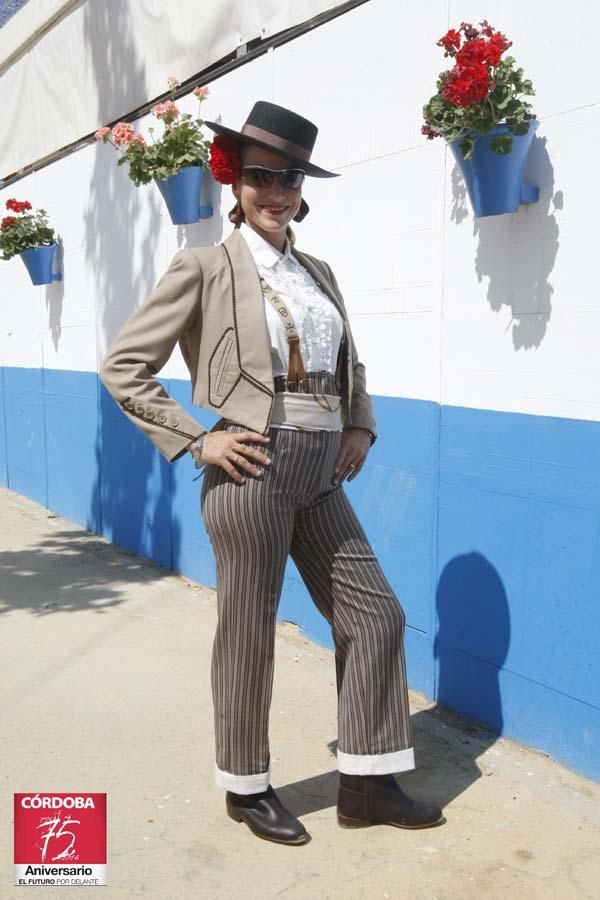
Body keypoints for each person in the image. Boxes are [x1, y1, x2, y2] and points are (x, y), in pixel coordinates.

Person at [99, 100, 444, 846]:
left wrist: (360, 422)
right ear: (234, 182)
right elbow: (123, 366)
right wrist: (198, 441)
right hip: (251, 465)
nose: (275, 191)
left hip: (320, 471)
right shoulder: (204, 267)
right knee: (249, 632)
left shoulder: (317, 270)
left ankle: (368, 779)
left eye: (288, 177)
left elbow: (346, 360)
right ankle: (246, 787)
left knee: (375, 615)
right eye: (260, 176)